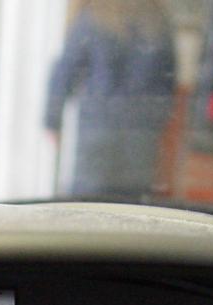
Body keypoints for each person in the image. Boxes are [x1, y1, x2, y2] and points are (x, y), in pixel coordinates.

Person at [45, 0, 178, 199]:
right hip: (141, 131)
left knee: (89, 201)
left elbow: (65, 70)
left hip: (99, 127)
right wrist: (159, 119)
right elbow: (168, 78)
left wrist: (52, 121)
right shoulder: (156, 19)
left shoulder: (92, 16)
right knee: (133, 202)